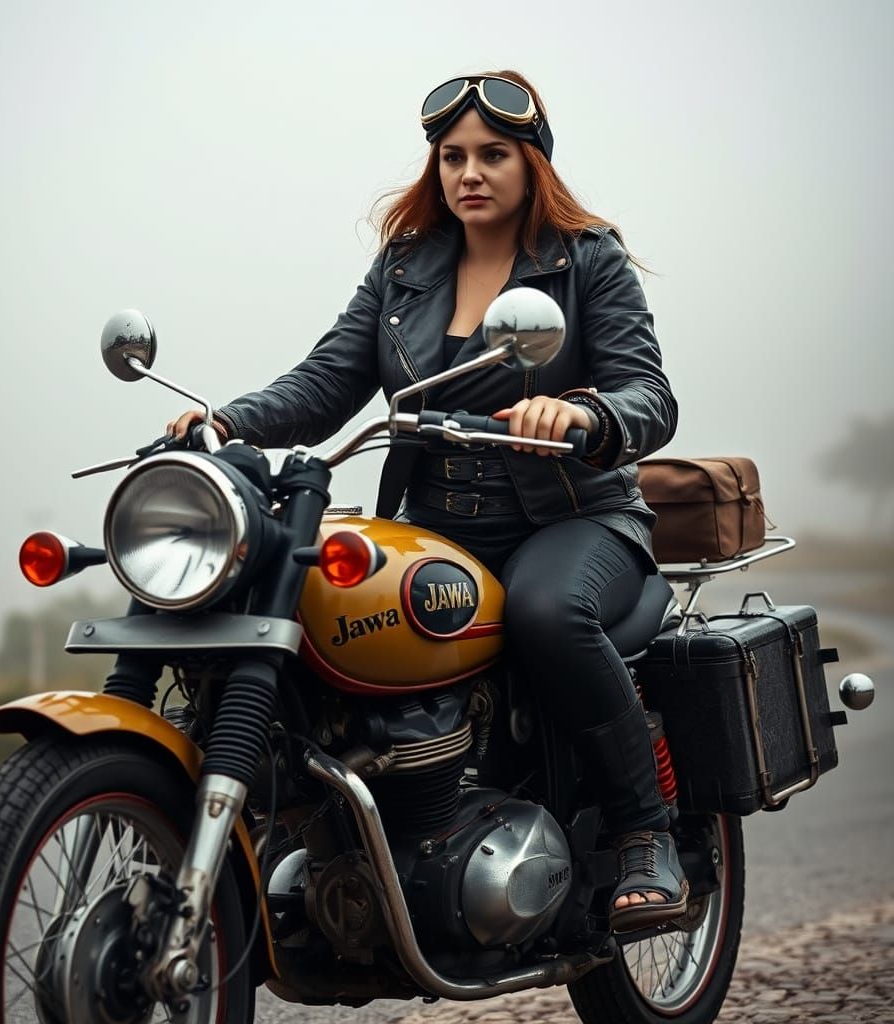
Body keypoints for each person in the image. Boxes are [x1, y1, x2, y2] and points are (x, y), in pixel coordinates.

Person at [153, 70, 685, 933]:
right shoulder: (406, 267)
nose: (469, 173)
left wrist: (584, 413)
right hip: (438, 528)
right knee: (309, 598)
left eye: (493, 155)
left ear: (533, 164)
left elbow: (648, 396)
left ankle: (643, 831)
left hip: (571, 519)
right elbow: (328, 381)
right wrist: (226, 420)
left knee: (546, 613)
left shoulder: (587, 259)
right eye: (452, 157)